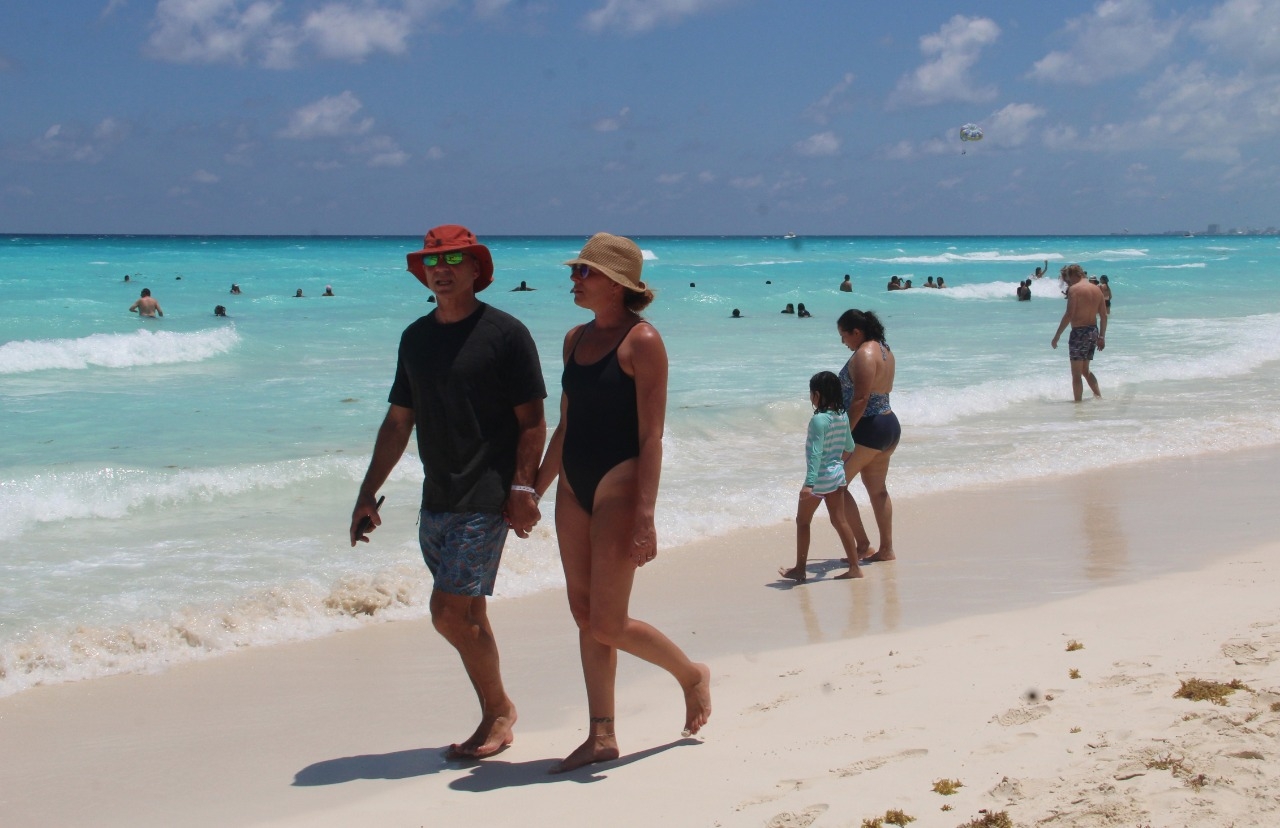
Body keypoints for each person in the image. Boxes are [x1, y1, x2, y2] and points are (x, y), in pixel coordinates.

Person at [349, 224, 547, 760]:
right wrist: (368, 493)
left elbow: (532, 421)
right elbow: (398, 421)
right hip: (436, 497)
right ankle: (496, 714)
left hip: (486, 496)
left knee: (446, 612)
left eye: (455, 260)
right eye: (433, 261)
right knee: (469, 615)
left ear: (476, 269)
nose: (442, 268)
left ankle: (499, 710)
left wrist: (523, 486)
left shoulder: (506, 334)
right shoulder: (415, 337)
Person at [534, 232, 710, 773]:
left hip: (619, 481)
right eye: (576, 271)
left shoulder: (643, 342)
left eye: (584, 273)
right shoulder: (572, 339)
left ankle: (690, 674)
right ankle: (602, 735)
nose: (574, 280)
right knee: (585, 616)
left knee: (608, 622)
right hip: (572, 484)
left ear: (616, 283)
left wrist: (645, 517)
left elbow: (652, 435)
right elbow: (565, 423)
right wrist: (531, 492)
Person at [778, 372, 860, 583]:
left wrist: (809, 484)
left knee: (803, 521)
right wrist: (837, 462)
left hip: (820, 480)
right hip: (837, 476)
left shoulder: (819, 420)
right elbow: (850, 447)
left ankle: (800, 569)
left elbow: (815, 454)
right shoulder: (842, 416)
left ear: (817, 395)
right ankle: (854, 567)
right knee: (840, 520)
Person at [837, 309, 901, 567]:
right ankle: (886, 549)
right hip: (888, 424)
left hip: (868, 428)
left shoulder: (864, 354)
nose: (843, 342)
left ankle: (863, 545)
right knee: (878, 490)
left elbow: (861, 399)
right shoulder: (885, 349)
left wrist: (844, 435)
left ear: (857, 332)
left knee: (836, 486)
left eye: (844, 336)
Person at [1050, 263, 1108, 401]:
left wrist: (1057, 336)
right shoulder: (1097, 289)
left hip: (1079, 332)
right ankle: (1099, 397)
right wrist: (1102, 337)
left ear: (1075, 274)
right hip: (1093, 332)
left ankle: (1078, 405)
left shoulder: (1074, 290)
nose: (1069, 281)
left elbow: (1069, 314)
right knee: (1085, 370)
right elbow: (1104, 315)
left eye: (1069, 277)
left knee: (1076, 373)